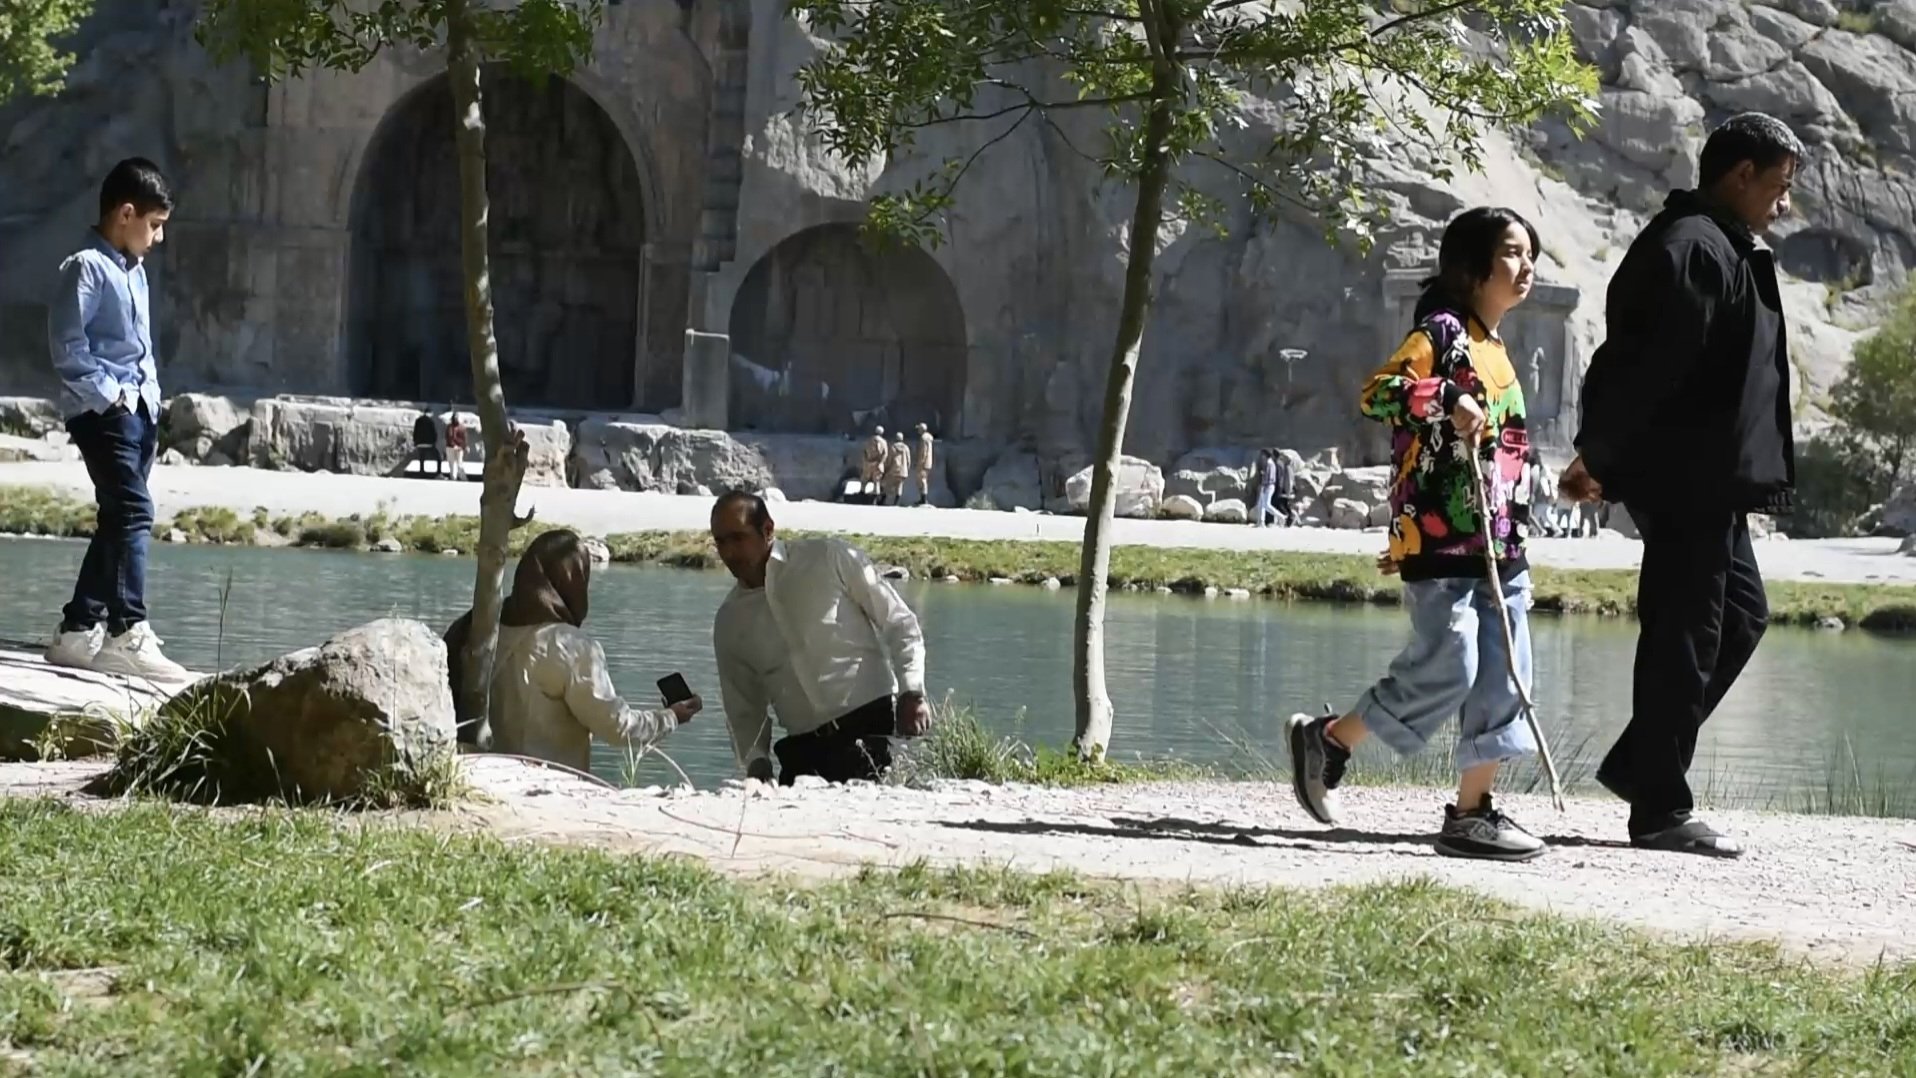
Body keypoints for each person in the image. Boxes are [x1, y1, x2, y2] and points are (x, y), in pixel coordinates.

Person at [1560, 113, 1804, 858]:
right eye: (1778, 186)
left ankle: (1641, 765)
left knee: (1739, 618)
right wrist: (1596, 456)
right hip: (1685, 478)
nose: (1784, 205)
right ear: (1738, 175)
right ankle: (1660, 809)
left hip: (1713, 479)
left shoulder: (1721, 243)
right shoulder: (1693, 248)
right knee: (1684, 635)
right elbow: (1650, 368)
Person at [1285, 206, 1546, 862]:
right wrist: (1442, 400)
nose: (1526, 267)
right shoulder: (1443, 334)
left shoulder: (1497, 347)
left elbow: (1505, 454)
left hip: (1501, 546)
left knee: (1505, 677)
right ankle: (1331, 740)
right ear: (1472, 266)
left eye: (1530, 254)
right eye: (1513, 253)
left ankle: (1472, 813)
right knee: (1449, 663)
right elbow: (1378, 395)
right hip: (1442, 541)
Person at [42, 159, 191, 682]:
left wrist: (148, 401)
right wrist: (113, 399)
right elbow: (67, 346)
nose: (158, 238)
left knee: (117, 517)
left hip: (138, 413)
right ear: (125, 214)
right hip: (103, 412)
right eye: (154, 226)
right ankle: (127, 631)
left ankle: (79, 630)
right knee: (133, 512)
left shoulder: (135, 270)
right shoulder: (86, 267)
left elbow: (139, 349)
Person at [709, 490, 931, 785]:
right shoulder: (730, 620)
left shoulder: (828, 558)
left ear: (768, 530)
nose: (729, 553)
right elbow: (743, 706)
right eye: (721, 542)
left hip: (874, 731)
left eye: (738, 538)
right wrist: (756, 763)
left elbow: (899, 623)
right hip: (803, 754)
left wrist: (912, 691)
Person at [443, 529, 700, 770]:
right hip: (545, 786)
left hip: (479, 774)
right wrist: (671, 717)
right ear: (575, 582)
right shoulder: (572, 647)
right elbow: (617, 728)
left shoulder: (476, 628)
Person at [882, 431, 910, 506]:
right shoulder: (906, 448)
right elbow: (908, 460)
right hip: (903, 471)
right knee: (899, 487)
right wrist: (907, 469)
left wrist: (887, 468)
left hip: (893, 470)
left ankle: (882, 500)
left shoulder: (893, 447)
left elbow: (890, 459)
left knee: (888, 486)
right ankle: (896, 503)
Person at [861, 425, 888, 502]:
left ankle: (862, 497)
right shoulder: (884, 442)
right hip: (878, 464)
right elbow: (885, 454)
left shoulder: (869, 440)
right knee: (877, 482)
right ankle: (874, 500)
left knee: (864, 480)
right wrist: (881, 463)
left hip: (869, 463)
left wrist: (866, 461)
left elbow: (864, 451)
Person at [1252, 449, 1278, 527]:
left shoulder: (1270, 464)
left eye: (1262, 454)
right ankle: (1260, 522)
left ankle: (1281, 517)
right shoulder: (1268, 463)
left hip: (1268, 486)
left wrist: (1264, 485)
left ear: (1265, 455)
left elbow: (1269, 477)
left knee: (1266, 505)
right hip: (1266, 485)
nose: (1261, 456)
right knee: (1261, 505)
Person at [1272, 448, 1298, 527]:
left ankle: (1289, 518)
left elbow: (1287, 480)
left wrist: (1286, 491)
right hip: (1287, 489)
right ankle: (1288, 520)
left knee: (1281, 505)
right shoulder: (1289, 467)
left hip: (1285, 489)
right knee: (1285, 505)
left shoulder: (1286, 467)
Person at [915, 422, 935, 506]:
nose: (918, 430)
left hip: (923, 462)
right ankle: (923, 498)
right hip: (928, 462)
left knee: (922, 480)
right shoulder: (929, 438)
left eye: (919, 429)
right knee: (924, 480)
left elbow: (923, 451)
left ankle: (923, 499)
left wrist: (920, 462)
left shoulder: (923, 438)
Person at [444, 412, 467, 481]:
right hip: (458, 447)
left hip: (451, 447)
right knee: (459, 462)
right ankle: (462, 477)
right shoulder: (462, 427)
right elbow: (464, 438)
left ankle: (454, 476)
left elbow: (448, 437)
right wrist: (463, 446)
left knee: (452, 463)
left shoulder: (449, 427)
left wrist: (454, 445)